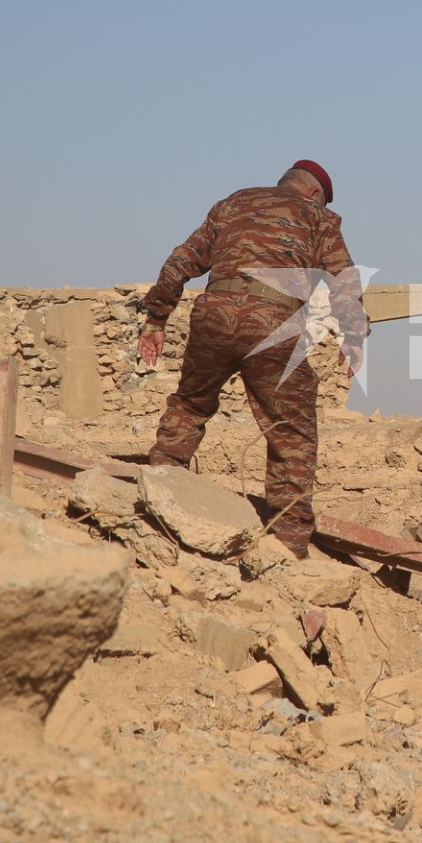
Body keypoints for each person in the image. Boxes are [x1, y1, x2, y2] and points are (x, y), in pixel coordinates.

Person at [136, 158, 365, 559]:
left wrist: (157, 317)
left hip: (214, 313)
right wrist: (354, 335)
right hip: (273, 322)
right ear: (315, 195)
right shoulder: (318, 218)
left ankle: (160, 489)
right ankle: (289, 542)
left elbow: (180, 262)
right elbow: (343, 278)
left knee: (191, 404)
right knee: (290, 431)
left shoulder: (231, 204)